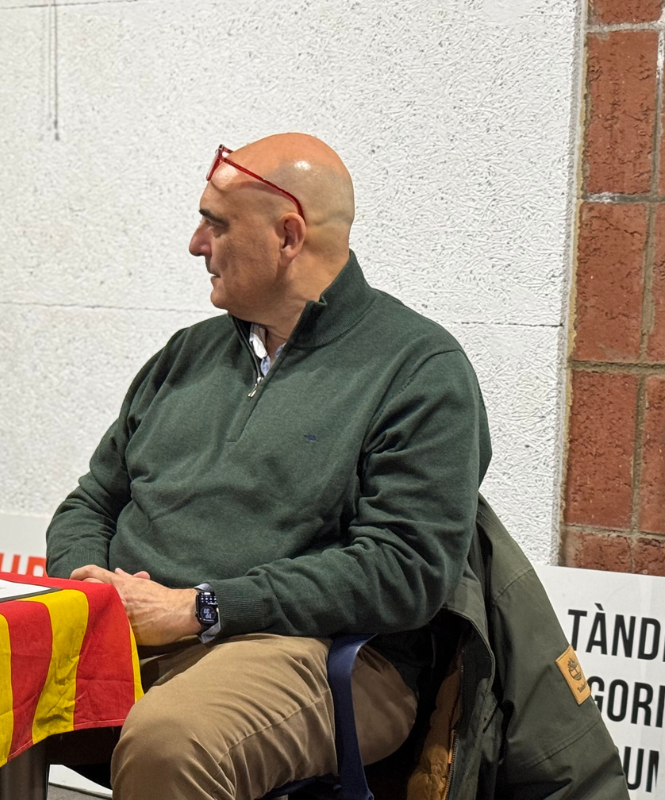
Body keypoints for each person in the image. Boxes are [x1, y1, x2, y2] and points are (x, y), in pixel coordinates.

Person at [45, 133, 491, 798]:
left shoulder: (418, 370)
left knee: (172, 740)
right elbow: (93, 500)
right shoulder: (185, 355)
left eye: (216, 224)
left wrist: (202, 608)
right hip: (132, 630)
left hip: (318, 651)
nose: (197, 245)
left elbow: (404, 570)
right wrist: (89, 581)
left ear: (288, 236)